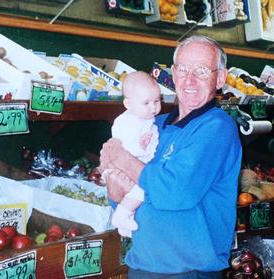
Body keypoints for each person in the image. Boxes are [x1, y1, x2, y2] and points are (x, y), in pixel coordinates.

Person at [99, 35, 242, 278]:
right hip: (144, 265)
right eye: (184, 70)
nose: (190, 80)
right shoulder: (155, 125)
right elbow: (119, 191)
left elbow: (174, 192)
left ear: (220, 78)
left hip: (187, 271)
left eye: (201, 71)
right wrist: (115, 188)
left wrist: (120, 157)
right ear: (173, 74)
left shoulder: (216, 127)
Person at [102, 72, 161, 238]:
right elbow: (121, 150)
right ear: (128, 104)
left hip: (136, 165)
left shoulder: (144, 118)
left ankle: (126, 221)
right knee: (142, 191)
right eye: (147, 103)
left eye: (157, 101)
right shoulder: (127, 122)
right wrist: (140, 146)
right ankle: (121, 214)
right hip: (125, 169)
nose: (153, 107)